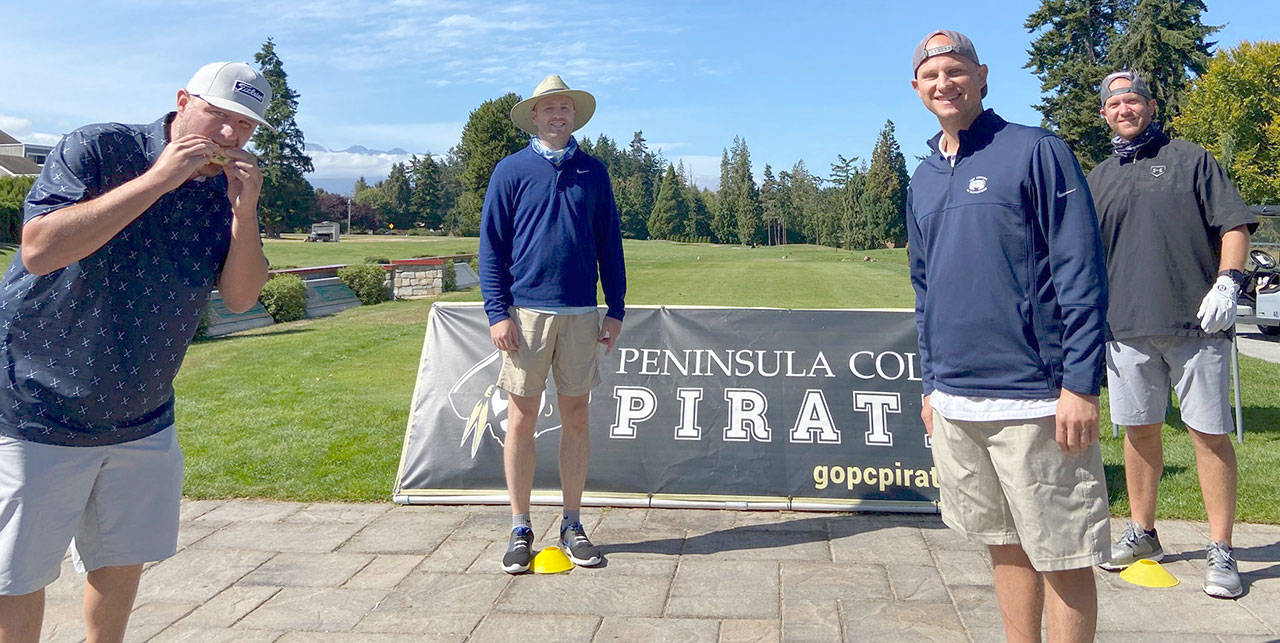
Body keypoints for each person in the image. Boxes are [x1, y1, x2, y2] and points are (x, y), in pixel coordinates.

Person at [0, 62, 272, 642]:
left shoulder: (227, 192)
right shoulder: (99, 148)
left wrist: (244, 213)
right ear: (182, 100)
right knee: (16, 575)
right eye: (218, 116)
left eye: (244, 127)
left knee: (119, 561)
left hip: (141, 413)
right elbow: (40, 250)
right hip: (34, 406)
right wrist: (158, 180)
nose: (228, 137)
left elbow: (243, 295)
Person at [906, 30, 1110, 642]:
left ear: (983, 75)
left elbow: (1081, 269)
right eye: (931, 74)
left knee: (1063, 554)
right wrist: (930, 384)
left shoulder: (1035, 150)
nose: (945, 82)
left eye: (956, 69)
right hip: (955, 402)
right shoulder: (921, 177)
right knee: (1003, 544)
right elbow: (924, 289)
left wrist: (1079, 384)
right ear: (917, 88)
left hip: (1036, 400)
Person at [1088, 71, 1257, 598]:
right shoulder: (1098, 177)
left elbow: (1234, 226)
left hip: (1196, 324)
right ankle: (1143, 533)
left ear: (1150, 105)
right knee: (1139, 433)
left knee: (1208, 434)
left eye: (1132, 99)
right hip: (1126, 328)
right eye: (1114, 103)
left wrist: (1229, 282)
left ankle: (1222, 548)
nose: (1124, 109)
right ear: (1104, 114)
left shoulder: (1191, 159)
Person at [478, 75, 626, 574]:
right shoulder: (510, 170)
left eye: (565, 108)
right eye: (549, 109)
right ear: (535, 117)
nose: (558, 116)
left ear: (574, 116)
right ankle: (520, 525)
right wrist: (497, 312)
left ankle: (571, 522)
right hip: (526, 315)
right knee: (521, 419)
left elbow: (610, 244)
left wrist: (617, 307)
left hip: (582, 314)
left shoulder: (594, 172)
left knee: (577, 417)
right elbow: (492, 248)